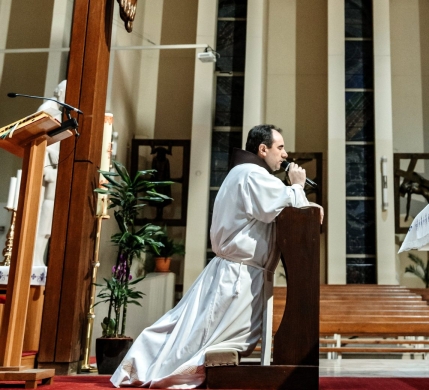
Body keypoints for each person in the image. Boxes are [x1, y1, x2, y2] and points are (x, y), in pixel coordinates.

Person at [112, 126, 323, 388]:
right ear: (262, 149)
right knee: (202, 337)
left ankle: (145, 365)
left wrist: (300, 196)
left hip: (238, 271)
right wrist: (298, 185)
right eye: (280, 147)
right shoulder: (252, 174)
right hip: (238, 275)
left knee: (193, 330)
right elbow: (281, 204)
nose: (285, 154)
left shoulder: (244, 173)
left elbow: (278, 206)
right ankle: (154, 369)